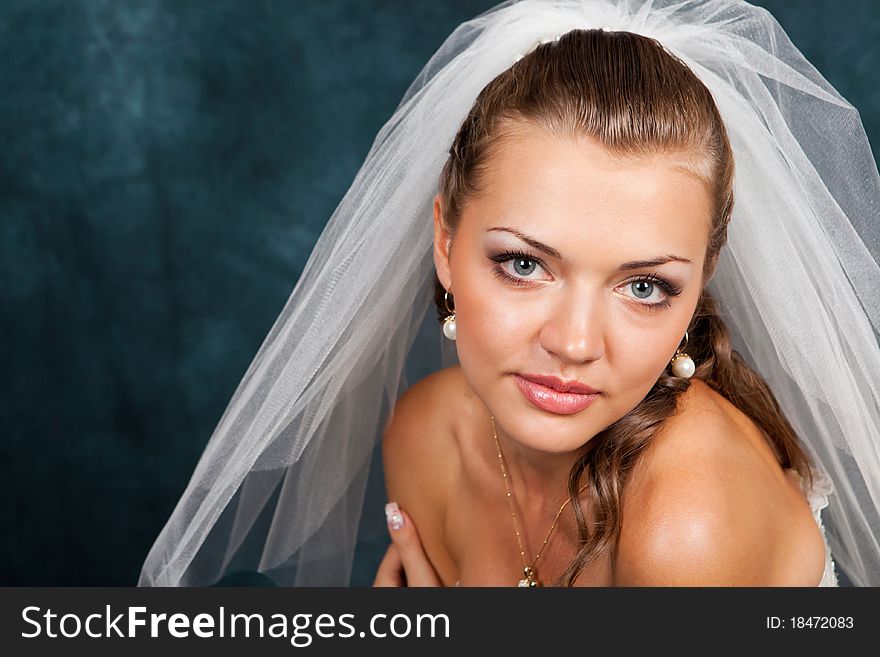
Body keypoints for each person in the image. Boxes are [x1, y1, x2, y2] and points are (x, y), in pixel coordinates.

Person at [139, 0, 880, 588]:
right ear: (444, 240)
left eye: (645, 285)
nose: (576, 343)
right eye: (525, 264)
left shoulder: (687, 524)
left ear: (702, 282)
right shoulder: (426, 439)